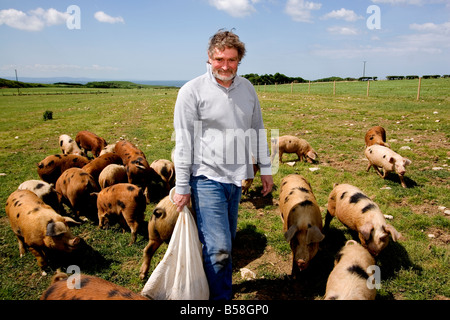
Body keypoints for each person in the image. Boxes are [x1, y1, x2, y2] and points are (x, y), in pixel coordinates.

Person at [172, 30, 273, 300]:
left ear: (240, 60)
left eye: (231, 60)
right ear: (209, 57)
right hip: (206, 178)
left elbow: (257, 129)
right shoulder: (191, 91)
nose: (225, 66)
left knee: (224, 245)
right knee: (219, 249)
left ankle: (212, 288)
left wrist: (265, 168)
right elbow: (183, 142)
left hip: (237, 179)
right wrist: (182, 186)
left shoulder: (247, 89)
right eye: (219, 59)